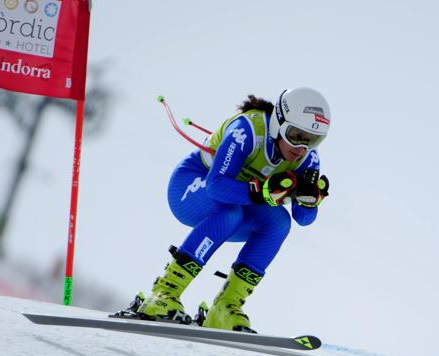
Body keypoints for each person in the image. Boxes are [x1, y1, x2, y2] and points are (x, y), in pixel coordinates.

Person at [136, 88, 331, 332]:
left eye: (312, 140)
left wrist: (309, 200)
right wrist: (260, 193)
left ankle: (225, 307)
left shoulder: (308, 159)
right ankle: (163, 292)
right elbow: (217, 186)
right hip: (193, 187)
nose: (301, 147)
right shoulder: (247, 130)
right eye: (295, 135)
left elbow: (303, 219)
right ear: (278, 124)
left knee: (280, 222)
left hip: (237, 203)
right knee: (230, 213)